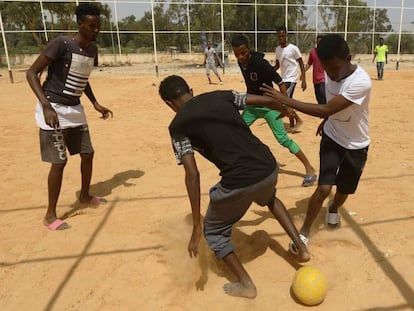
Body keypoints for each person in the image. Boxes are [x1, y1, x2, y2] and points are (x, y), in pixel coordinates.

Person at [158, 75, 310, 299]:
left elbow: (192, 174)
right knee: (270, 199)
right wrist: (284, 109)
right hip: (268, 167)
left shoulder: (178, 126)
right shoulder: (221, 95)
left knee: (214, 232)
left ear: (169, 104)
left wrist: (198, 225)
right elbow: (264, 101)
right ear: (191, 89)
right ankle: (301, 248)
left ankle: (246, 284)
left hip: (239, 181)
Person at [261, 34, 371, 253]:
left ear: (348, 58)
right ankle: (304, 232)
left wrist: (286, 100)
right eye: (327, 69)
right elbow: (330, 108)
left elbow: (328, 108)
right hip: (332, 137)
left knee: (344, 189)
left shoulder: (361, 82)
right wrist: (327, 121)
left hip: (357, 144)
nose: (331, 74)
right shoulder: (332, 72)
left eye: (335, 68)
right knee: (323, 187)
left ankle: (334, 208)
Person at [26, 3, 113, 231]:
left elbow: (82, 77)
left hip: (75, 110)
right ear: (80, 24)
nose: (96, 30)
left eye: (98, 26)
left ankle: (84, 195)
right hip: (53, 109)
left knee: (88, 153)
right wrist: (46, 106)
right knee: (59, 162)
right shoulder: (61, 44)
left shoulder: (92, 50)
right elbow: (32, 73)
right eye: (92, 26)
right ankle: (50, 215)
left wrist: (94, 103)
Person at [231, 35, 316, 187]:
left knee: (283, 139)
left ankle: (309, 168)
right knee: (237, 131)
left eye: (243, 53)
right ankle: (259, 162)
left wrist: (287, 105)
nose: (240, 57)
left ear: (249, 49)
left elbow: (281, 83)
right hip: (252, 105)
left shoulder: (260, 64)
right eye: (237, 54)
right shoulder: (240, 62)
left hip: (270, 105)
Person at [274, 26, 306, 132]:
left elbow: (301, 63)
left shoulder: (293, 48)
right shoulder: (277, 50)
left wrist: (304, 79)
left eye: (283, 36)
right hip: (283, 79)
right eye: (279, 36)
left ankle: (297, 120)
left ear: (286, 35)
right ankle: (293, 125)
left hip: (292, 78)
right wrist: (269, 70)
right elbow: (277, 65)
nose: (281, 38)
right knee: (287, 101)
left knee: (286, 101)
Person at [305, 35, 326, 105]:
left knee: (322, 94)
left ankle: (326, 112)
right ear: (316, 42)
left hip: (324, 78)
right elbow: (309, 64)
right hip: (315, 79)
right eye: (318, 42)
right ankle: (323, 112)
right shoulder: (313, 52)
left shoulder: (327, 52)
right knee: (318, 97)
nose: (319, 43)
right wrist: (303, 72)